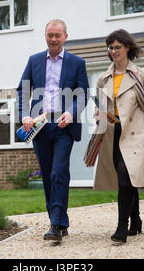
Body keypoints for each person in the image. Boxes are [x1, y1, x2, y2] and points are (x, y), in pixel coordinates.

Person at [93, 29, 144, 243]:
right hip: (112, 132)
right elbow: (99, 107)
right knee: (125, 178)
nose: (113, 51)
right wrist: (100, 115)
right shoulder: (103, 78)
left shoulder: (142, 75)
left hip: (136, 133)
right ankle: (136, 220)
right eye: (110, 48)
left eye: (117, 47)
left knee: (126, 176)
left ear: (127, 47)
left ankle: (122, 227)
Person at [16, 19, 89, 241]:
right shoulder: (34, 60)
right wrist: (24, 115)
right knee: (48, 175)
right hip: (40, 127)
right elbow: (22, 91)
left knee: (59, 172)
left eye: (58, 35)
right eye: (50, 35)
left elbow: (83, 93)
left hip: (63, 125)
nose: (54, 39)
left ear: (65, 36)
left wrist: (72, 112)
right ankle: (59, 221)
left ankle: (55, 225)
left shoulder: (76, 62)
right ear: (45, 36)